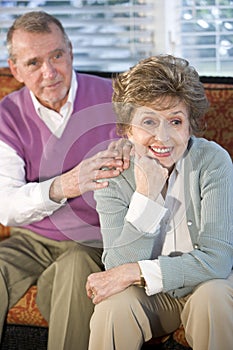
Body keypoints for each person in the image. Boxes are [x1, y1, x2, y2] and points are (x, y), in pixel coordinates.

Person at [0, 11, 132, 350]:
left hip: (92, 239)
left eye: (57, 55)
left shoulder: (116, 98)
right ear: (15, 70)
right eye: (33, 63)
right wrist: (67, 185)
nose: (50, 72)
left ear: (70, 51)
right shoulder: (7, 115)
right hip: (31, 238)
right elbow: (6, 207)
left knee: (77, 271)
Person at [86, 55, 233, 350]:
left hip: (207, 286)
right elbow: (116, 267)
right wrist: (146, 196)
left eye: (175, 121)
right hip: (152, 299)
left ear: (190, 125)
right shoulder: (113, 174)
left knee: (214, 296)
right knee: (114, 305)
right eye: (148, 121)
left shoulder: (213, 161)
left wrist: (136, 272)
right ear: (127, 129)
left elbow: (217, 261)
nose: (162, 137)